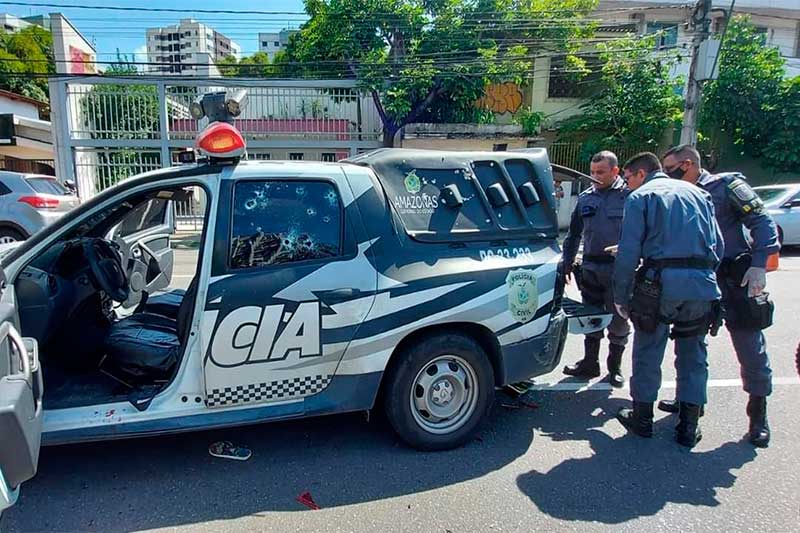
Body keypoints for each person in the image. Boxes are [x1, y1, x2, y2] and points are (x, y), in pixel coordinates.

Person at [661, 144, 780, 447]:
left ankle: (758, 416)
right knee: (689, 343)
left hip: (734, 279)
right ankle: (687, 403)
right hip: (699, 279)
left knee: (750, 347)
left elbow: (763, 222)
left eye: (670, 168)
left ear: (687, 164)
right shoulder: (675, 194)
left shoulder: (727, 186)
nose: (666, 174)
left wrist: (759, 265)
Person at [613, 152, 724, 448]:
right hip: (701, 286)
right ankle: (688, 427)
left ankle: (642, 420)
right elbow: (719, 246)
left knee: (648, 349)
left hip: (658, 287)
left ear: (640, 173)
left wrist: (621, 297)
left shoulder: (641, 198)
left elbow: (627, 254)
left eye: (628, 178)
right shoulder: (701, 195)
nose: (627, 184)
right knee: (694, 352)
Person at [561, 151, 631, 387]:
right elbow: (573, 234)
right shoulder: (585, 197)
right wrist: (567, 262)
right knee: (591, 317)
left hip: (617, 268)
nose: (594, 177)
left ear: (615, 171)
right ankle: (590, 363)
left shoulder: (629, 197)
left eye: (600, 172)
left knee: (618, 319)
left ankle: (615, 368)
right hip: (590, 267)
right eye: (592, 172)